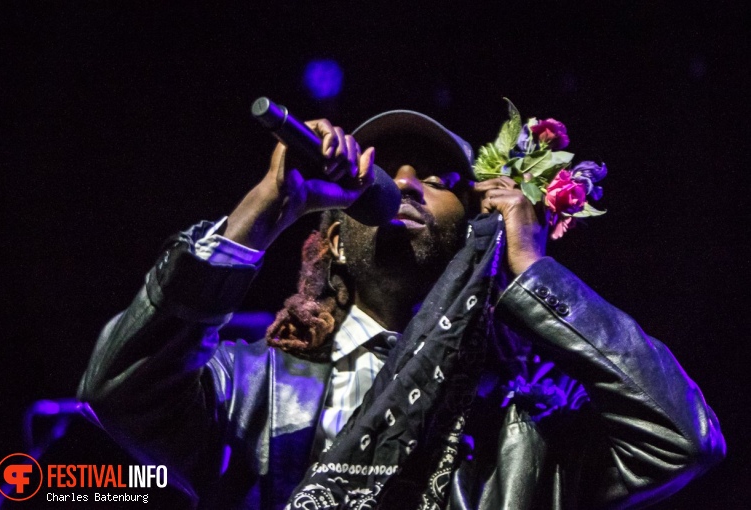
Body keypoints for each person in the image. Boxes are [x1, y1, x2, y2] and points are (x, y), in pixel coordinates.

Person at [78, 110, 725, 509]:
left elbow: (683, 439)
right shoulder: (252, 389)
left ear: (475, 236)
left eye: (440, 181)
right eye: (387, 170)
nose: (409, 181)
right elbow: (117, 390)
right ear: (331, 241)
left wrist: (530, 271)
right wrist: (262, 213)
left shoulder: (529, 424)